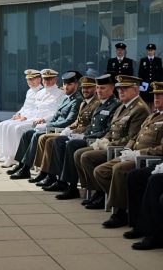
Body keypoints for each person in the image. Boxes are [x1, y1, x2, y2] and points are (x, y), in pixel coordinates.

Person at [93, 81, 163, 228]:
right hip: (134, 154)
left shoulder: (142, 109)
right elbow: (136, 137)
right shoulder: (153, 115)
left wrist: (138, 153)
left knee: (119, 170)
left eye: (160, 95)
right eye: (155, 95)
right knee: (101, 171)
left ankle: (120, 212)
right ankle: (125, 203)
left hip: (148, 159)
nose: (156, 98)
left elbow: (160, 148)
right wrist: (128, 150)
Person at [75, 75, 150, 210]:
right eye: (119, 88)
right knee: (80, 154)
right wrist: (104, 139)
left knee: (87, 156)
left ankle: (104, 195)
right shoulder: (123, 106)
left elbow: (131, 137)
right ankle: (98, 192)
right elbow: (112, 130)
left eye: (125, 88)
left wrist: (109, 145)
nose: (120, 91)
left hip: (120, 148)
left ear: (135, 90)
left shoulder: (139, 109)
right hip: (112, 145)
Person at [9, 71, 83, 181]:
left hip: (61, 129)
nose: (66, 87)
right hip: (53, 125)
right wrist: (47, 124)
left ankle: (35, 170)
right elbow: (56, 115)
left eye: (69, 84)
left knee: (37, 135)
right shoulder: (65, 98)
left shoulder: (77, 100)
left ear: (76, 85)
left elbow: (69, 121)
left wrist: (47, 125)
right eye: (65, 84)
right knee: (27, 133)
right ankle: (22, 165)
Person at [32, 75, 99, 192]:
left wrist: (75, 131)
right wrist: (69, 128)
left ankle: (65, 182)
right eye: (84, 88)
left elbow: (91, 125)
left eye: (89, 88)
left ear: (95, 88)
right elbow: (77, 121)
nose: (85, 90)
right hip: (75, 132)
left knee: (59, 142)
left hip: (87, 136)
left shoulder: (95, 103)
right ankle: (51, 175)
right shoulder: (84, 103)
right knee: (49, 140)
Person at [1, 69, 65, 168]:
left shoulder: (60, 93)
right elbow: (34, 108)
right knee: (12, 126)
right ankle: (15, 157)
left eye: (49, 79)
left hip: (46, 121)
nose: (46, 82)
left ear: (55, 79)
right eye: (45, 79)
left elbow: (57, 112)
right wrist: (20, 115)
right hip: (34, 119)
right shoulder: (41, 92)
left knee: (18, 128)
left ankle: (20, 159)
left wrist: (44, 119)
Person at [0, 69, 43, 162]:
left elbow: (38, 110)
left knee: (16, 128)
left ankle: (16, 157)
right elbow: (25, 107)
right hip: (23, 117)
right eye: (28, 79)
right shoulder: (30, 91)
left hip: (32, 119)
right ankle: (4, 153)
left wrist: (25, 117)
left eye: (32, 79)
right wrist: (18, 114)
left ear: (39, 79)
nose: (30, 82)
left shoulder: (41, 91)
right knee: (2, 124)